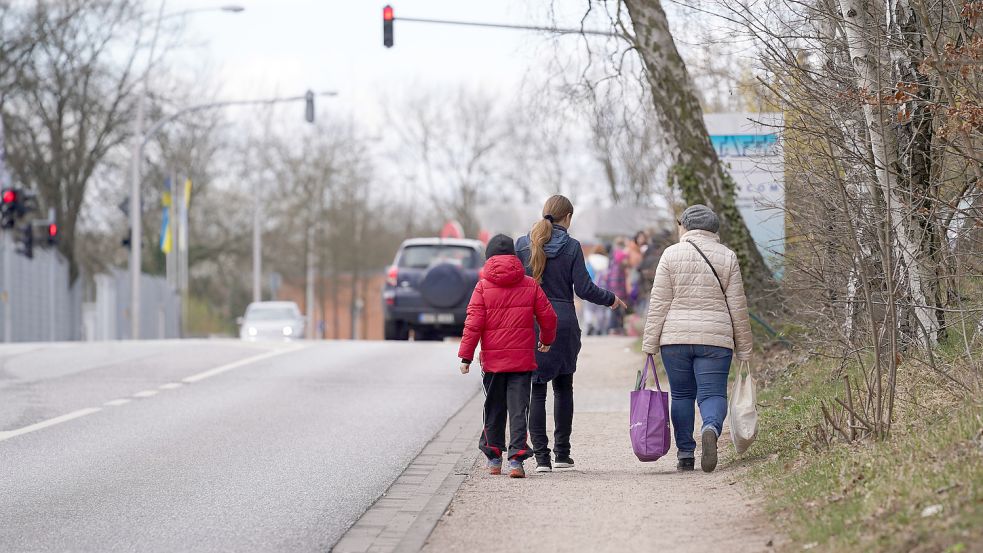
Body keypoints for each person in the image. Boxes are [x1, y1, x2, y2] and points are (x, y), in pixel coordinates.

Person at [516, 195, 627, 473]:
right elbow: (584, 289)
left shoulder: (522, 245)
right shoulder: (572, 246)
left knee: (537, 389)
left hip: (532, 322)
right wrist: (611, 299)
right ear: (567, 218)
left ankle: (542, 459)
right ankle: (563, 455)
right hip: (562, 323)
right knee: (564, 388)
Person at [641, 205, 753, 473]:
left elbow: (659, 303)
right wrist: (745, 348)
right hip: (716, 339)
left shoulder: (670, 254)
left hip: (675, 339)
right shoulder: (727, 256)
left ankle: (686, 454)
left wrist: (649, 343)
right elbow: (738, 305)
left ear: (687, 226)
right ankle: (711, 428)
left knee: (681, 395)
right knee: (712, 393)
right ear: (713, 228)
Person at [459, 234, 558, 479]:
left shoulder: (482, 287)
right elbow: (549, 317)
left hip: (493, 363)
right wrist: (546, 340)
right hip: (522, 362)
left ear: (489, 257)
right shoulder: (529, 284)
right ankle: (516, 461)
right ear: (515, 256)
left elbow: (473, 323)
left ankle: (494, 459)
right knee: (518, 409)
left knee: (493, 408)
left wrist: (466, 356)